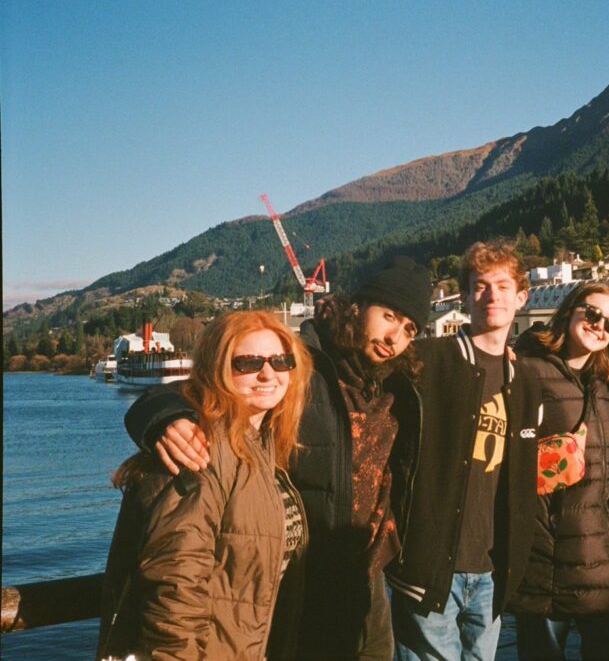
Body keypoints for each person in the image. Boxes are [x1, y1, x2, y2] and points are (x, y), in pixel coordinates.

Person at [121, 257, 433, 660]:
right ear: (358, 306)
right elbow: (201, 388)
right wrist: (162, 418)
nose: (395, 336)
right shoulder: (300, 364)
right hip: (302, 576)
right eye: (389, 316)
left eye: (409, 329)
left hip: (366, 574)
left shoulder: (398, 385)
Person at [97, 310, 313, 660]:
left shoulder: (260, 443)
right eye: (248, 363)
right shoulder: (201, 448)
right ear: (217, 368)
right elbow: (176, 583)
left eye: (280, 361)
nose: (268, 373)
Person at [387, 240, 543, 661]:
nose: (492, 296)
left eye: (503, 286)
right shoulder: (427, 361)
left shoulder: (525, 380)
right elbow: (351, 373)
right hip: (429, 566)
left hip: (492, 573)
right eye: (480, 286)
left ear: (522, 297)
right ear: (464, 295)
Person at [511, 281, 609, 660]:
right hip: (545, 558)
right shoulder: (526, 372)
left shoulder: (606, 386)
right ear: (569, 312)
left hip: (600, 559)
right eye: (593, 314)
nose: (600, 326)